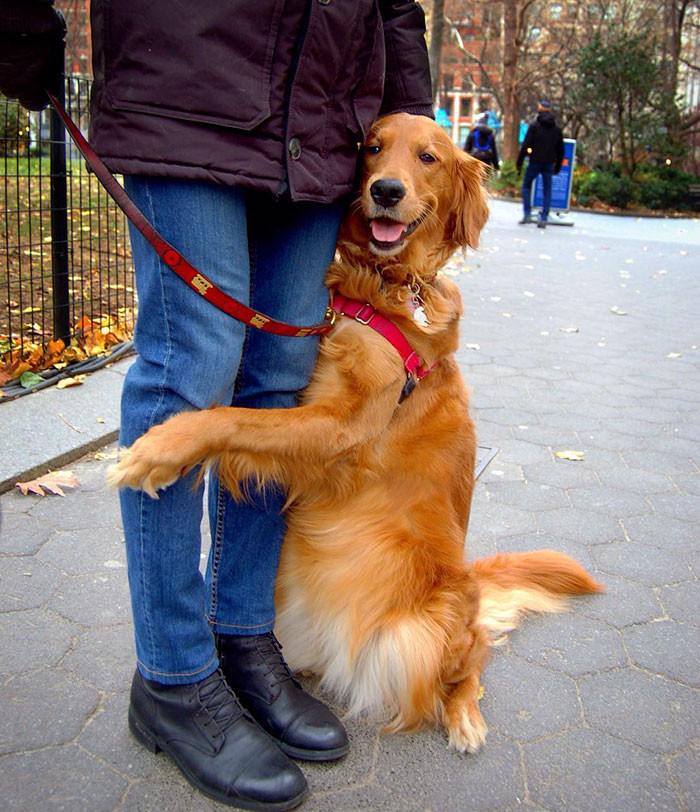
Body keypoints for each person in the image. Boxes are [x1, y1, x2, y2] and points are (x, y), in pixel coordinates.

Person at [0, 1, 434, 809]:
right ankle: (171, 676)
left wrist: (407, 110)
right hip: (188, 82)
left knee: (279, 377)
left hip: (325, 122)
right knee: (188, 370)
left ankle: (241, 639)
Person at [516, 100, 564, 228]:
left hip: (534, 161)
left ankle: (527, 213)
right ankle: (544, 217)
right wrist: (558, 166)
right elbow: (560, 149)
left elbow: (526, 145)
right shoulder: (556, 129)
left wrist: (519, 163)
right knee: (547, 190)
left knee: (526, 186)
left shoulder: (534, 126)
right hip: (549, 163)